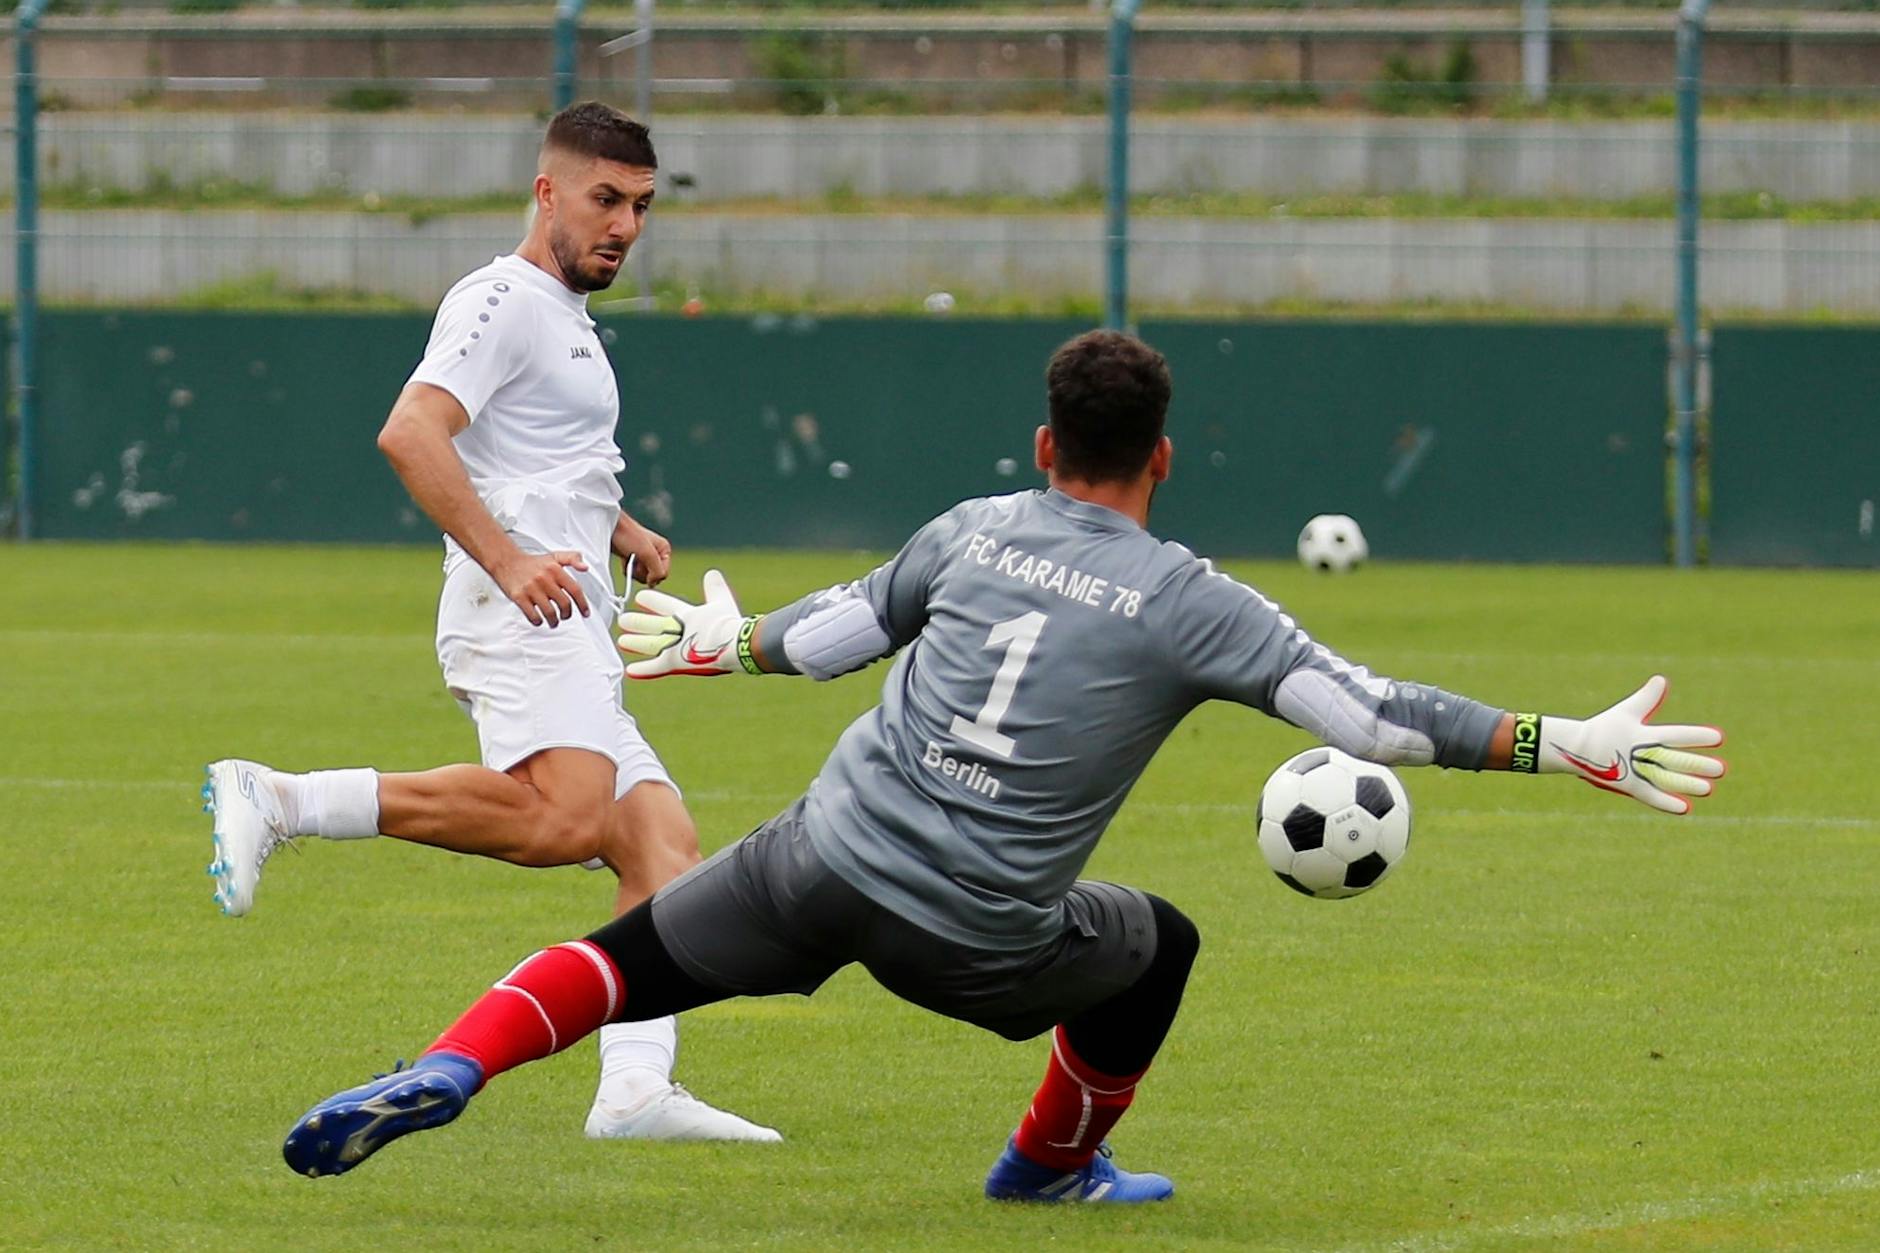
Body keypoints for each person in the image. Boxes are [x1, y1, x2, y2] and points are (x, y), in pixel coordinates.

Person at [279, 330, 1726, 1198]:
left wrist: (724, 644)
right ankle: (1048, 1164)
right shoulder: (1194, 598)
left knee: (627, 955)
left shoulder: (973, 526)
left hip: (824, 856)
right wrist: (1565, 744)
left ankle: (450, 1065)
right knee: (1159, 943)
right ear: (1161, 461)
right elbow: (1382, 725)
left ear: (1045, 445)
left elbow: (830, 640)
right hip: (975, 932)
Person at [204, 101, 778, 1144]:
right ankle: (284, 796)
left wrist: (623, 528)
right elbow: (411, 432)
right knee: (562, 820)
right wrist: (510, 559)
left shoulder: (566, 317)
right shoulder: (502, 297)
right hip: (522, 602)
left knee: (660, 847)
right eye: (605, 199)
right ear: (546, 189)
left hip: (570, 604)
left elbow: (539, 459)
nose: (625, 226)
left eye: (642, 207)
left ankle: (635, 1090)